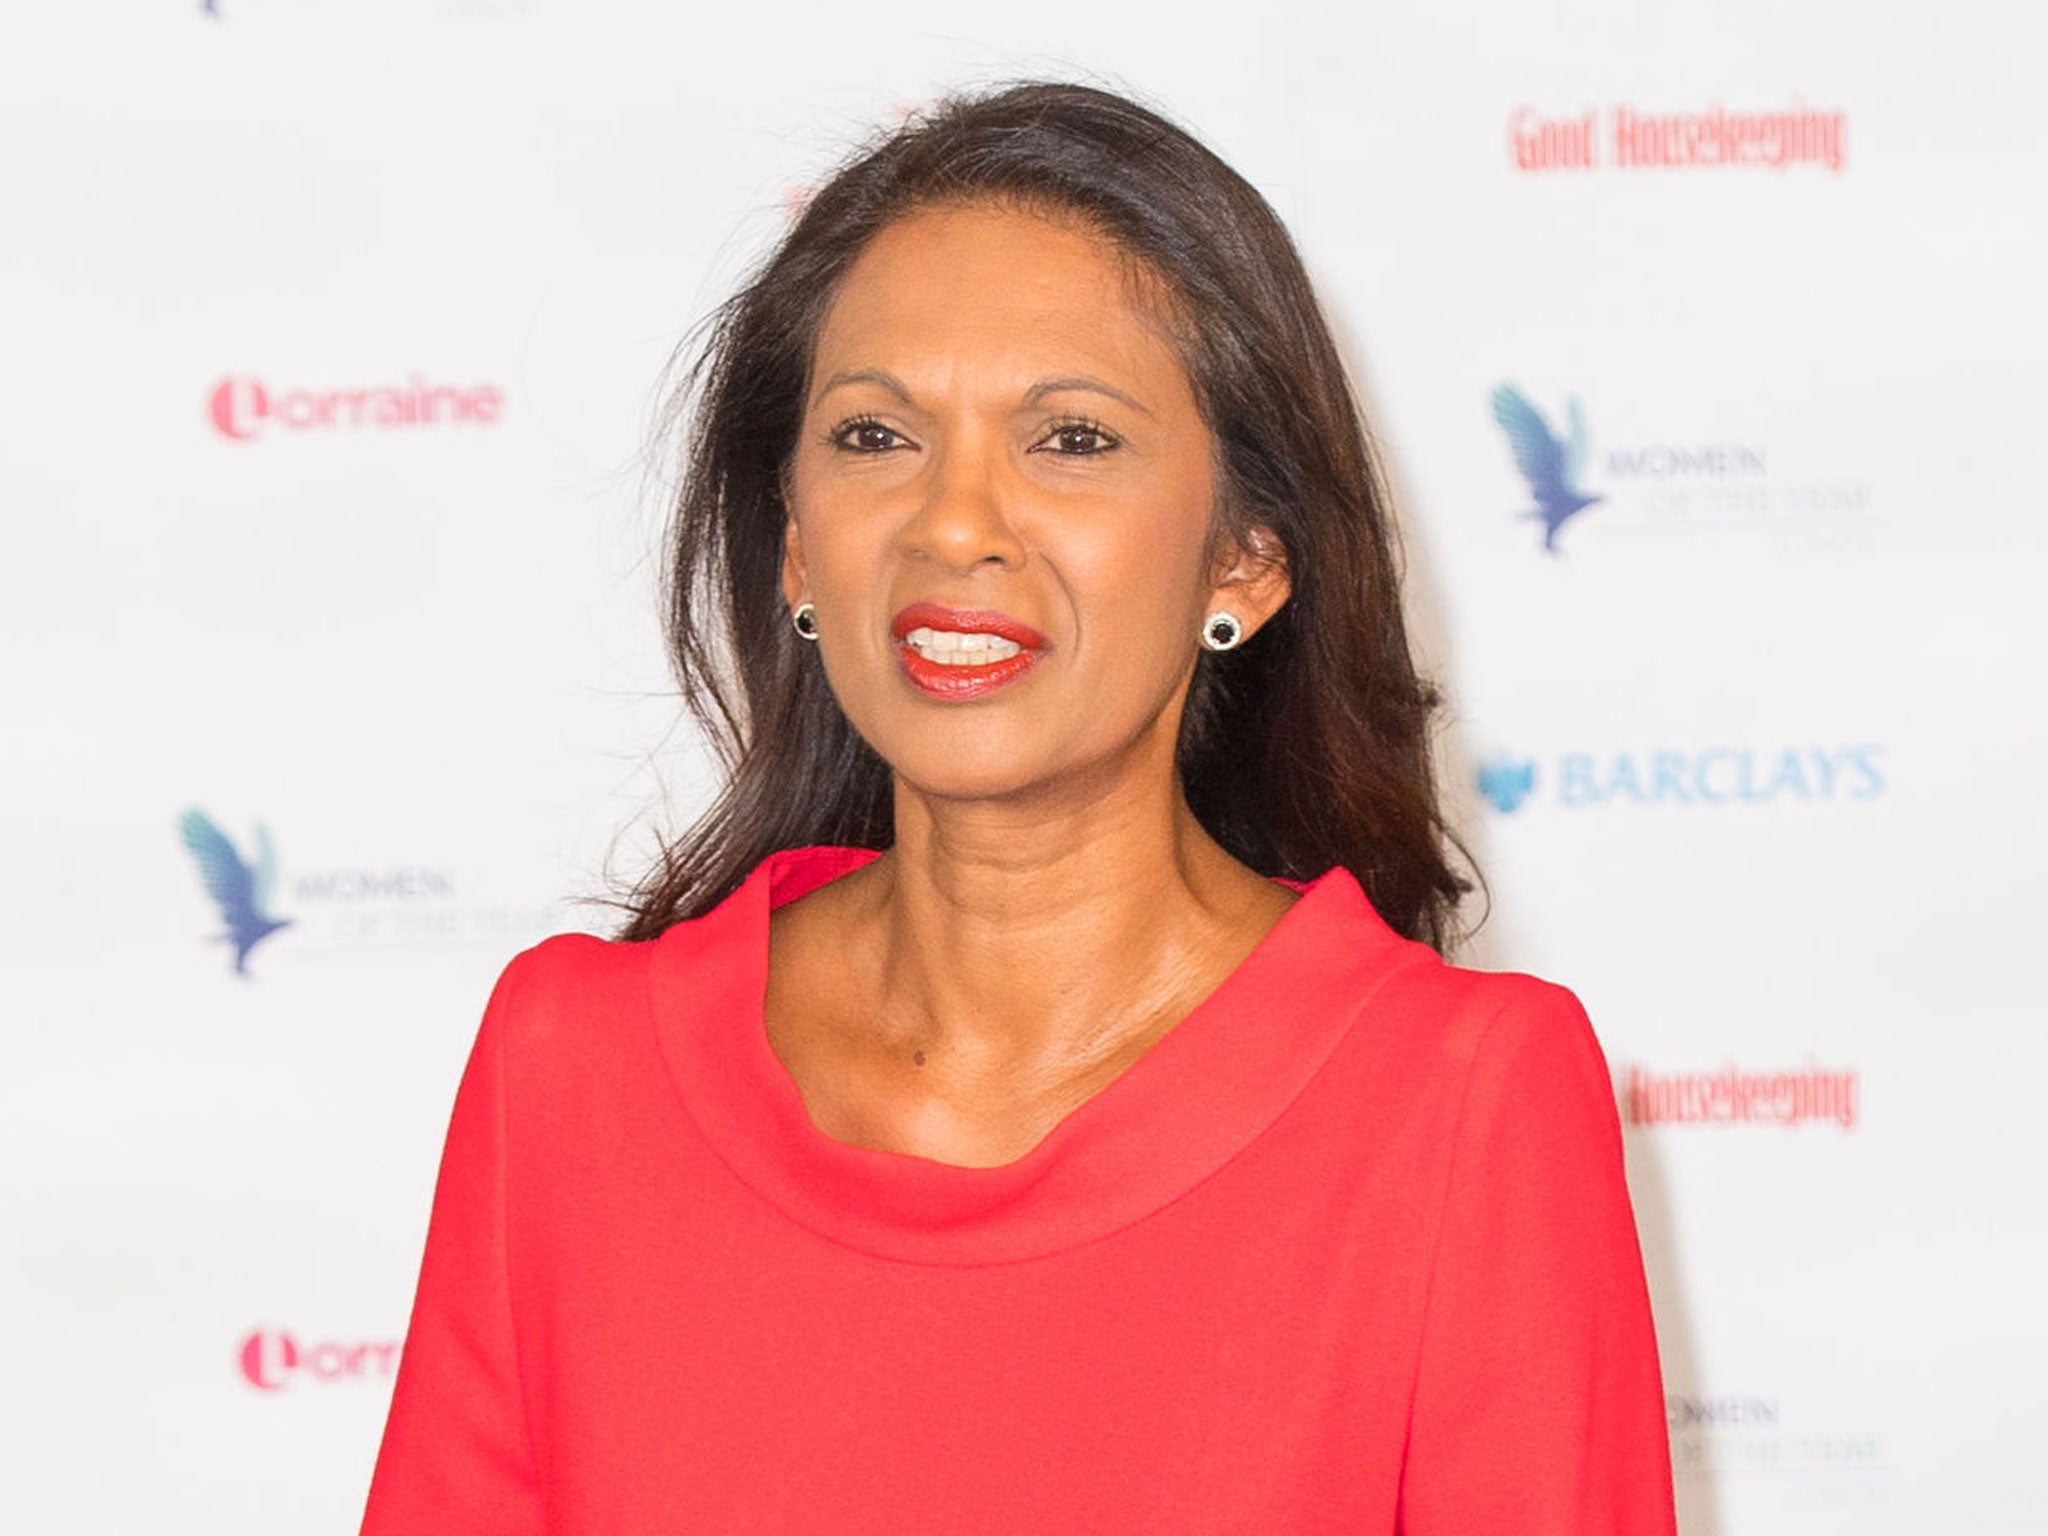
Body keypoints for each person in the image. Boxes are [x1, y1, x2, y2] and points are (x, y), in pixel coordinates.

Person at [360, 81, 1676, 1533]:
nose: (954, 523)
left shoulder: (1464, 1107)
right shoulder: (569, 1074)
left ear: (1245, 556)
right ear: (795, 548)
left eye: (1070, 440)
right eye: (874, 438)